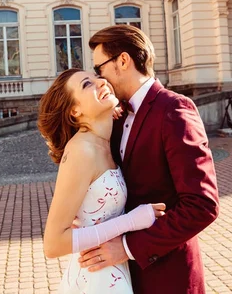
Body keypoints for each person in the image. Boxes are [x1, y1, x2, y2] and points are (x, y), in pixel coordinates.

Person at [78, 24, 219, 294]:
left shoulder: (174, 109)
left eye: (100, 69)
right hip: (122, 277)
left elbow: (202, 205)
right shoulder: (116, 117)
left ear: (122, 61)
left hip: (168, 276)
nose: (100, 79)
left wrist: (129, 247)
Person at [38, 68, 166, 294]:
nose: (101, 82)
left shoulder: (104, 141)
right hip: (97, 276)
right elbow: (53, 244)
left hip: (113, 269)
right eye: (87, 85)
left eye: (97, 77)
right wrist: (131, 221)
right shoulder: (81, 151)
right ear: (74, 111)